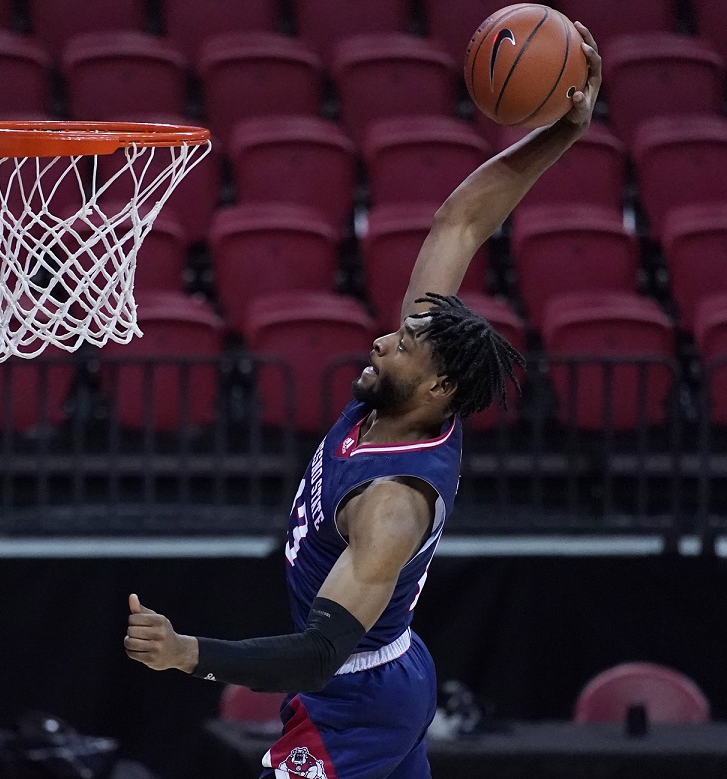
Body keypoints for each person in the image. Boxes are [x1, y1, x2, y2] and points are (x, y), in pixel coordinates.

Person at [124, 22, 602, 779]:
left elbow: (317, 654)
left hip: (354, 698)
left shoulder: (392, 504)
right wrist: (564, 130)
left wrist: (188, 653)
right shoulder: (413, 388)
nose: (382, 341)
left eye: (404, 343)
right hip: (385, 671)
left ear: (438, 384)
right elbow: (463, 219)